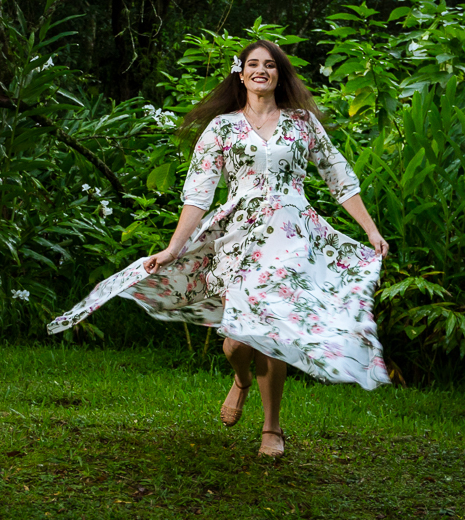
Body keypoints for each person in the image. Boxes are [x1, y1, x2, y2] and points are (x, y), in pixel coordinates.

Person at [48, 40, 391, 458]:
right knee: (236, 341)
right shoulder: (223, 128)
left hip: (291, 236)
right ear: (241, 73)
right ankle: (241, 379)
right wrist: (174, 248)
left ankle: (272, 428)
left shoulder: (302, 122)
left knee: (268, 329)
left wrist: (370, 231)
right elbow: (199, 192)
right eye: (253, 65)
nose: (261, 70)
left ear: (280, 74)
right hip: (240, 236)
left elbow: (339, 177)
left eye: (270, 65)